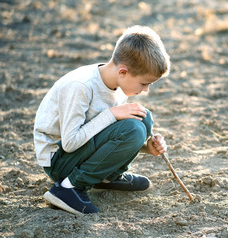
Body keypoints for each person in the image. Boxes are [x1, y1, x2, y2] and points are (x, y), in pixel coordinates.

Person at [33, 25, 171, 215]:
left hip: (80, 152)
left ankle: (107, 177)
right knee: (134, 128)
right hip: (59, 160)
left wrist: (148, 148)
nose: (146, 90)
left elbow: (111, 134)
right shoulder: (81, 86)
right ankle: (67, 188)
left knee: (143, 119)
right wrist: (112, 114)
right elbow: (70, 142)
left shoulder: (118, 85)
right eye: (144, 83)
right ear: (123, 72)